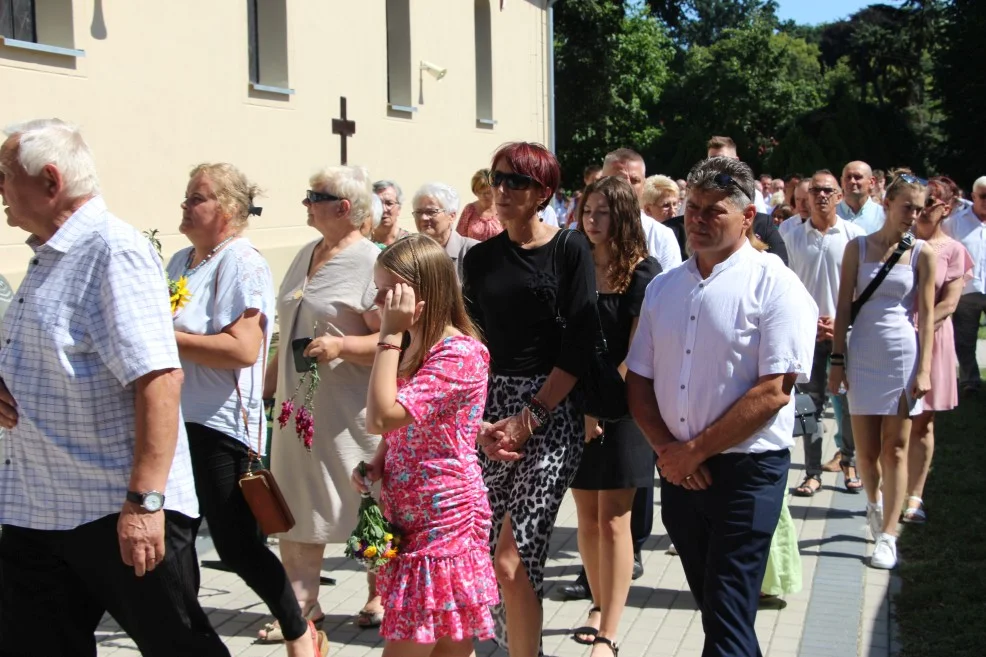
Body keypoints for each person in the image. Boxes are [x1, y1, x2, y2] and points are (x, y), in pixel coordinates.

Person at [0, 119, 228, 655]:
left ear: (51, 180)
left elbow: (158, 377)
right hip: (38, 508)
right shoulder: (49, 253)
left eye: (5, 175)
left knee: (181, 648)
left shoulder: (111, 251)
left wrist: (145, 504)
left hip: (117, 512)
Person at [626, 156, 817, 657]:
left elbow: (774, 390)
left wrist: (694, 451)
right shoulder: (665, 288)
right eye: (692, 208)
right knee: (714, 609)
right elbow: (640, 380)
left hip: (746, 473)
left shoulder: (775, 285)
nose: (698, 220)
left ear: (748, 217)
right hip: (678, 471)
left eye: (715, 211)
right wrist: (670, 450)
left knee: (728, 611)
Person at [166, 163, 327, 656]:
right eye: (188, 196)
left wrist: (165, 339)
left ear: (229, 211)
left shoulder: (242, 262)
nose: (185, 205)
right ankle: (189, 640)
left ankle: (300, 631)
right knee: (175, 544)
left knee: (237, 548)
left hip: (221, 425)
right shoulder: (178, 261)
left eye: (198, 197)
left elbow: (242, 349)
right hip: (174, 420)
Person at [462, 142, 595, 657]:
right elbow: (471, 341)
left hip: (550, 411)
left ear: (544, 193)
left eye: (515, 182)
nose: (502, 190)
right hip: (491, 412)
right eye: (497, 179)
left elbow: (580, 346)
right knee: (488, 554)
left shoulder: (569, 250)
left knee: (514, 559)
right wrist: (481, 423)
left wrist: (530, 416)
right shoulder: (480, 258)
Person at [351, 234, 498, 654]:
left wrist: (388, 336)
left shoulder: (460, 354)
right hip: (409, 512)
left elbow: (380, 416)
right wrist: (380, 461)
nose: (378, 302)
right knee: (445, 645)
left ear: (423, 293)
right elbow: (401, 424)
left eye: (388, 291)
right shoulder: (419, 348)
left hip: (444, 517)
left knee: (425, 646)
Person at [264, 166, 384, 637]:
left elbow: (398, 338)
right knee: (295, 503)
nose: (306, 202)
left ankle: (382, 595)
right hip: (298, 408)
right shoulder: (304, 253)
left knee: (366, 505)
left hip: (348, 412)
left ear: (345, 208)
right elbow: (287, 326)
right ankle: (302, 606)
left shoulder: (371, 262)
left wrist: (342, 348)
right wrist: (271, 386)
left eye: (316, 195)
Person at [569, 177, 661, 655]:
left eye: (602, 212)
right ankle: (597, 601)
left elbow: (638, 350)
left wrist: (601, 405)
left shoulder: (645, 273)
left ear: (623, 216)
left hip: (625, 408)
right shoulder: (575, 264)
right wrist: (581, 405)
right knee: (586, 518)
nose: (592, 220)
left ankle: (610, 629)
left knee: (614, 521)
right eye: (587, 211)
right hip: (578, 404)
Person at [828, 173, 936, 570]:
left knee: (896, 448)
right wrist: (837, 360)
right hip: (862, 352)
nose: (913, 215)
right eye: (907, 206)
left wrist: (924, 369)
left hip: (901, 354)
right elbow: (843, 308)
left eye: (919, 209)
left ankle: (890, 533)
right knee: (867, 452)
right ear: (887, 202)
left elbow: (925, 315)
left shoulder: (923, 252)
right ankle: (873, 504)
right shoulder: (856, 248)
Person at [782, 171, 864, 497]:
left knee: (850, 401)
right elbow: (783, 288)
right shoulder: (791, 236)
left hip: (846, 334)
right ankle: (812, 472)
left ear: (840, 196)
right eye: (815, 190)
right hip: (806, 335)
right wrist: (807, 320)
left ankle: (850, 460)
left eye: (828, 190)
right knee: (807, 406)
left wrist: (844, 321)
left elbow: (864, 290)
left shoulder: (855, 236)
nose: (821, 196)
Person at [903, 177, 973, 523]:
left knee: (923, 423)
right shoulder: (902, 242)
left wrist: (920, 326)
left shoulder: (955, 250)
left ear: (945, 208)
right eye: (919, 202)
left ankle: (915, 495)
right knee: (894, 419)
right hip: (896, 338)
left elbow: (950, 303)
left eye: (930, 202)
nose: (922, 209)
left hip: (934, 340)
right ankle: (889, 487)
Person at [601, 149, 682, 273]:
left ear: (644, 185)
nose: (627, 187)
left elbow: (671, 289)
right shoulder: (579, 232)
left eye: (635, 181)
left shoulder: (662, 236)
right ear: (601, 182)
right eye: (619, 179)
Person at [942, 175, 986, 395]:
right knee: (965, 339)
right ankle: (970, 380)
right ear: (973, 197)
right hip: (967, 290)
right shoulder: (956, 223)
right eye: (984, 196)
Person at [411, 182, 478, 284]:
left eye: (431, 212)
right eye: (419, 212)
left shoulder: (473, 251)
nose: (423, 218)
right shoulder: (410, 253)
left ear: (452, 216)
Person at [838, 161, 886, 235]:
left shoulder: (883, 216)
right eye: (848, 177)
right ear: (842, 182)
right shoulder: (830, 215)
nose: (852, 181)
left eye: (857, 177)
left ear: (871, 182)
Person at [456, 169, 503, 242]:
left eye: (487, 192)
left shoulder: (503, 209)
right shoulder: (469, 209)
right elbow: (459, 238)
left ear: (496, 190)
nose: (482, 196)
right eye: (478, 192)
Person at [372, 180, 411, 246]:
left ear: (399, 208)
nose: (384, 209)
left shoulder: (410, 243)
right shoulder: (364, 244)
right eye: (378, 204)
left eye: (389, 203)